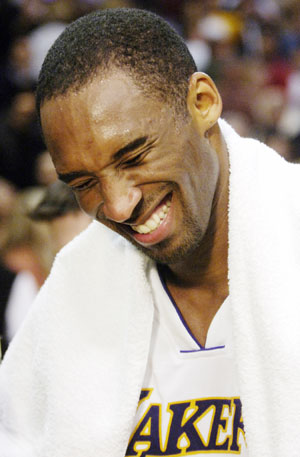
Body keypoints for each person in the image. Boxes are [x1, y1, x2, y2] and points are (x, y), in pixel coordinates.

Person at [0, 8, 300, 457]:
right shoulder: (76, 289)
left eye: (134, 156)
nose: (119, 204)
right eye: (84, 183)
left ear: (202, 103)